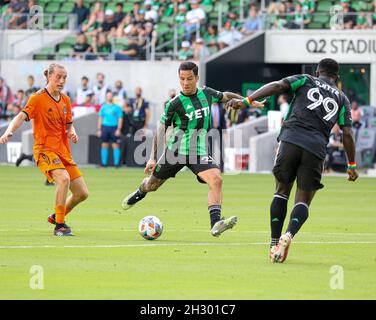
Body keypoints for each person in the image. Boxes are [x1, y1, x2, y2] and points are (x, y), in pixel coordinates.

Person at [227, 58, 358, 263]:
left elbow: (278, 85)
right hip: (315, 148)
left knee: (281, 192)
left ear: (317, 72)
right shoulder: (342, 99)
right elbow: (347, 133)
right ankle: (288, 235)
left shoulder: (305, 80)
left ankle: (273, 243)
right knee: (303, 200)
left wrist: (246, 101)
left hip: (290, 140)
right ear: (337, 77)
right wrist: (351, 165)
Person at [121, 61, 264, 237]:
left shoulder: (207, 94)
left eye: (189, 78)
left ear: (197, 78)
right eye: (182, 79)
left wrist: (248, 101)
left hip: (198, 152)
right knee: (152, 185)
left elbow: (226, 96)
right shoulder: (174, 104)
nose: (185, 83)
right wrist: (152, 157)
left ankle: (215, 224)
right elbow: (160, 129)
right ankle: (139, 192)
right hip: (175, 153)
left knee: (216, 179)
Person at [0, 63, 89, 236]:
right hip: (44, 150)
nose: (62, 81)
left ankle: (57, 215)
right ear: (49, 76)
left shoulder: (65, 100)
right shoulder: (37, 98)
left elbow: (69, 125)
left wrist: (73, 133)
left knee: (82, 193)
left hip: (63, 151)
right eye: (58, 77)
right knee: (63, 179)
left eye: (64, 78)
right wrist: (9, 131)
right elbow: (20, 116)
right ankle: (60, 226)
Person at [97, 91, 123, 167]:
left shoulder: (117, 107)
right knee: (104, 144)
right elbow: (100, 118)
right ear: (106, 97)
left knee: (115, 145)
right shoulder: (103, 107)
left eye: (111, 96)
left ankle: (116, 164)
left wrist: (118, 129)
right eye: (108, 96)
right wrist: (99, 129)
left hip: (114, 127)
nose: (109, 97)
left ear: (112, 97)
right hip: (105, 127)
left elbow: (120, 118)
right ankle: (104, 163)